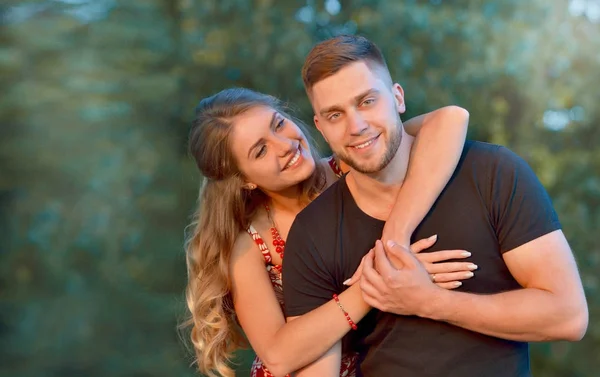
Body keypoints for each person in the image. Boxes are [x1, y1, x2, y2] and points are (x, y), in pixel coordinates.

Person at [282, 35, 588, 377]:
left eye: (367, 101)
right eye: (335, 115)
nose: (357, 126)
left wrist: (429, 301)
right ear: (321, 126)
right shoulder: (313, 232)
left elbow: (568, 315)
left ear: (397, 97)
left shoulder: (491, 173)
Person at [182, 87, 473, 377]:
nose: (285, 145)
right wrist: (382, 277)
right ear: (243, 180)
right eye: (261, 150)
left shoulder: (357, 165)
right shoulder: (249, 242)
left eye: (279, 124)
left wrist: (393, 239)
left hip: (391, 352)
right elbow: (278, 356)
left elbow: (450, 120)